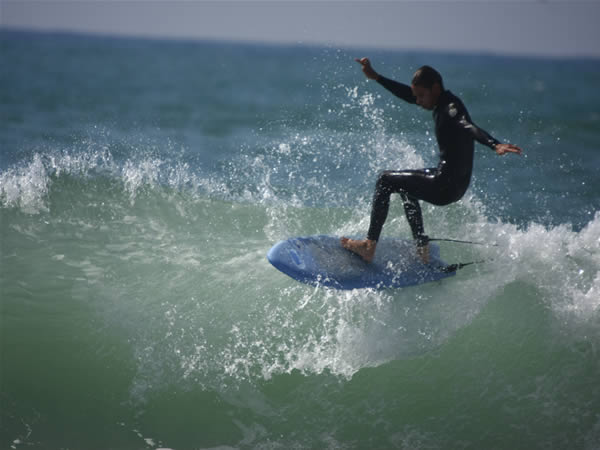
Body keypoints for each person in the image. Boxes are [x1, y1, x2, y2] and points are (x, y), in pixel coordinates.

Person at [341, 58, 522, 264]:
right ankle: (421, 247)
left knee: (385, 179)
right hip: (454, 185)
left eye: (421, 96)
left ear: (435, 88)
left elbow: (468, 126)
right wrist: (377, 78)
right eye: (416, 96)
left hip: (444, 184)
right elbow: (408, 95)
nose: (417, 101)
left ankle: (368, 246)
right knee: (404, 185)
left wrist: (494, 144)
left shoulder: (451, 109)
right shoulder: (440, 101)